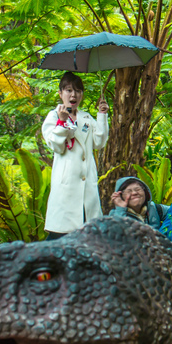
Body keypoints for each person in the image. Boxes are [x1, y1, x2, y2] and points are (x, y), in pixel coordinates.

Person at [42, 72, 109, 240]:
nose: (73, 95)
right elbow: (56, 145)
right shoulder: (53, 116)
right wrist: (62, 122)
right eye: (69, 90)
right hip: (66, 187)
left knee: (89, 237)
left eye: (78, 91)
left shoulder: (86, 117)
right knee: (60, 236)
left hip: (88, 187)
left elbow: (98, 142)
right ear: (60, 93)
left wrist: (101, 115)